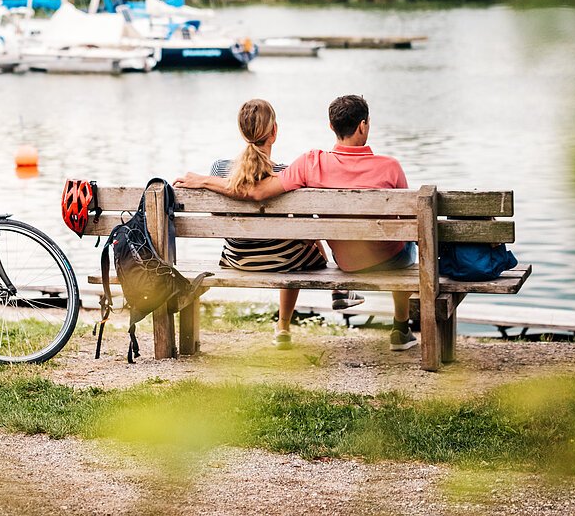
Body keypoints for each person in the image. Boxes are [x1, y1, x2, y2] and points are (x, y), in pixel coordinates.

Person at [176, 94, 418, 352]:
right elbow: (410, 222)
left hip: (343, 262)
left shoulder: (310, 163)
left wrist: (204, 181)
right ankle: (400, 329)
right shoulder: (391, 167)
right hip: (387, 261)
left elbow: (256, 192)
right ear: (363, 126)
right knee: (408, 246)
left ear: (331, 127)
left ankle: (284, 326)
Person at [206, 99, 362, 350]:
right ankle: (285, 326)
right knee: (303, 236)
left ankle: (315, 307)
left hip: (237, 258)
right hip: (285, 261)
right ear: (274, 132)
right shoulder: (286, 173)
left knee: (296, 236)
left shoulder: (218, 170)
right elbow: (307, 228)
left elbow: (216, 217)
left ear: (242, 131)